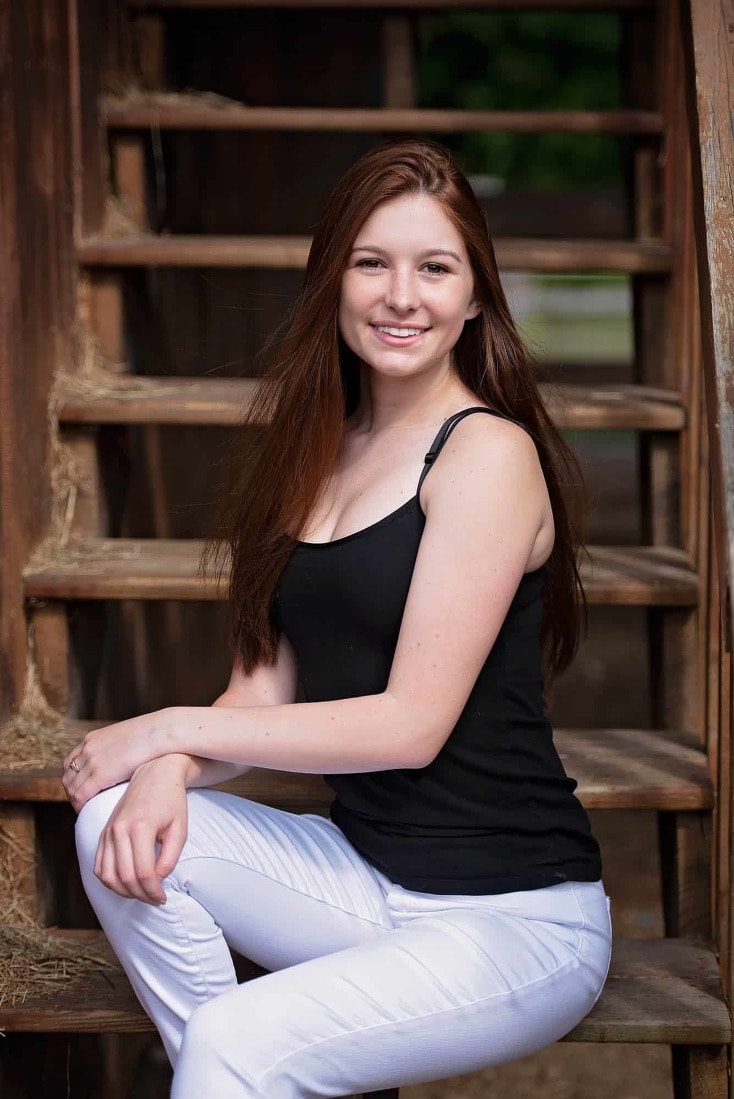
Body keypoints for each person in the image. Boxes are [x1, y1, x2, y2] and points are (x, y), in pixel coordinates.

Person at [64, 138, 612, 1099]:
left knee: (237, 1042)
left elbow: (409, 726)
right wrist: (169, 770)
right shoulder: (313, 452)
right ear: (334, 280)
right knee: (117, 826)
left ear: (476, 296)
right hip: (362, 879)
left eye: (435, 267)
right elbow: (261, 691)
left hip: (514, 919)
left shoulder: (486, 454)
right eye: (373, 263)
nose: (402, 295)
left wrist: (163, 729)